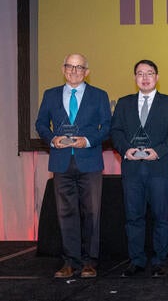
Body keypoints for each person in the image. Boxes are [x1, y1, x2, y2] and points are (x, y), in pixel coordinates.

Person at [35, 53, 111, 278]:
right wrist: (52, 139)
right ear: (63, 68)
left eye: (79, 67)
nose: (74, 71)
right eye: (70, 66)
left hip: (89, 161)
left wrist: (87, 140)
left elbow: (107, 126)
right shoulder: (50, 95)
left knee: (91, 213)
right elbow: (40, 123)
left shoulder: (99, 95)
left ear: (87, 72)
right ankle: (70, 261)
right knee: (65, 213)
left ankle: (89, 262)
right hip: (61, 162)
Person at [111, 59, 168, 278]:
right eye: (140, 73)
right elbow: (116, 131)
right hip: (132, 169)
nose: (145, 78)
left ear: (157, 77)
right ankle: (137, 261)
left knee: (162, 217)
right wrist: (126, 149)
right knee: (134, 218)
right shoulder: (123, 103)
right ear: (135, 78)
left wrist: (159, 151)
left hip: (159, 169)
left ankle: (160, 261)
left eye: (149, 73)